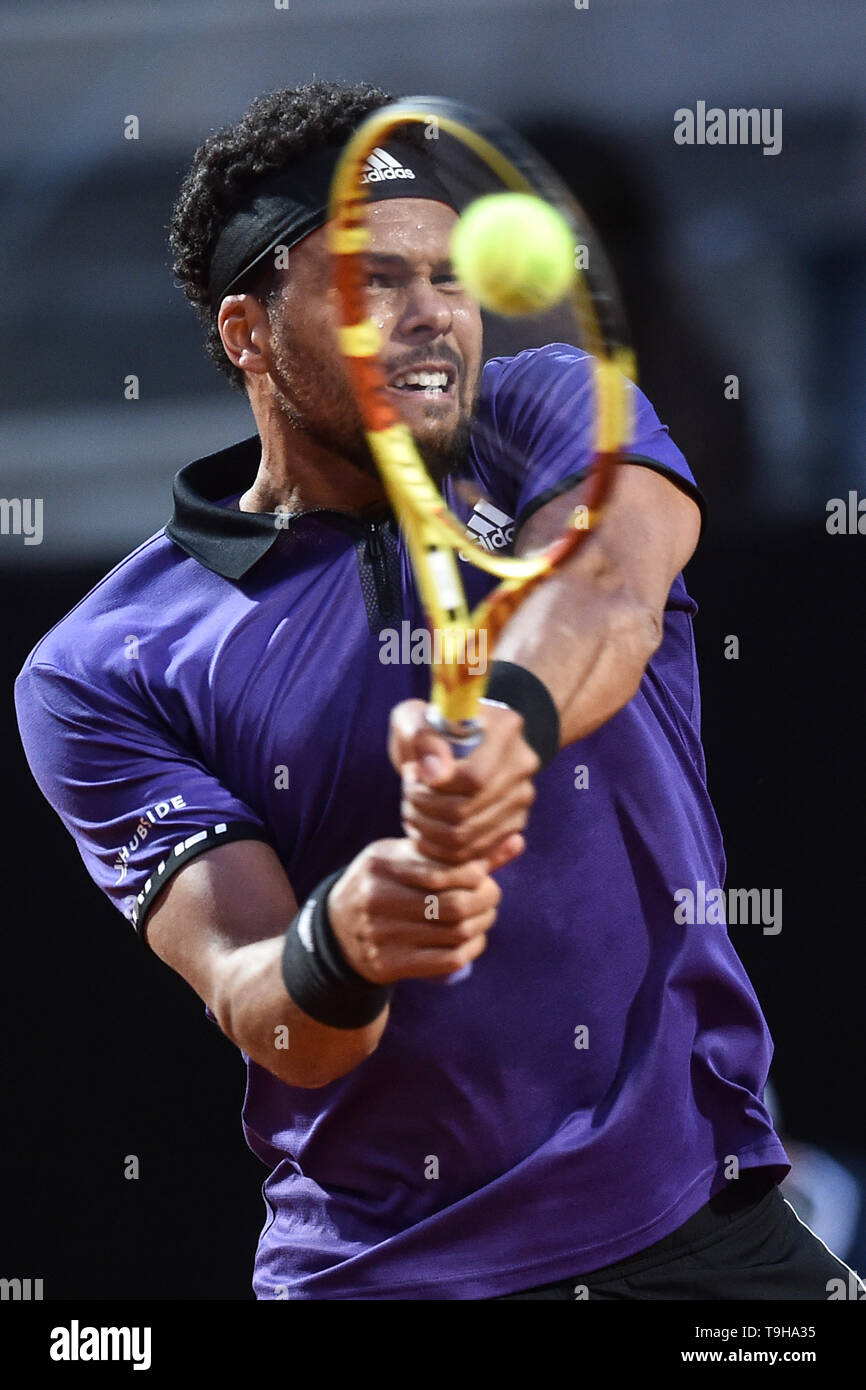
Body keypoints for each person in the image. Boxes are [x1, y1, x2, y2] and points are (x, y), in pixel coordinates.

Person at [14, 79, 860, 1301]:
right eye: (373, 285)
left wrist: (505, 723)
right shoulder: (102, 666)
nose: (433, 318)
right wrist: (344, 945)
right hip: (384, 1272)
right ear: (248, 333)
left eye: (449, 276)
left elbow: (608, 596)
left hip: (702, 1225)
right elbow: (272, 1014)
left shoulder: (554, 408)